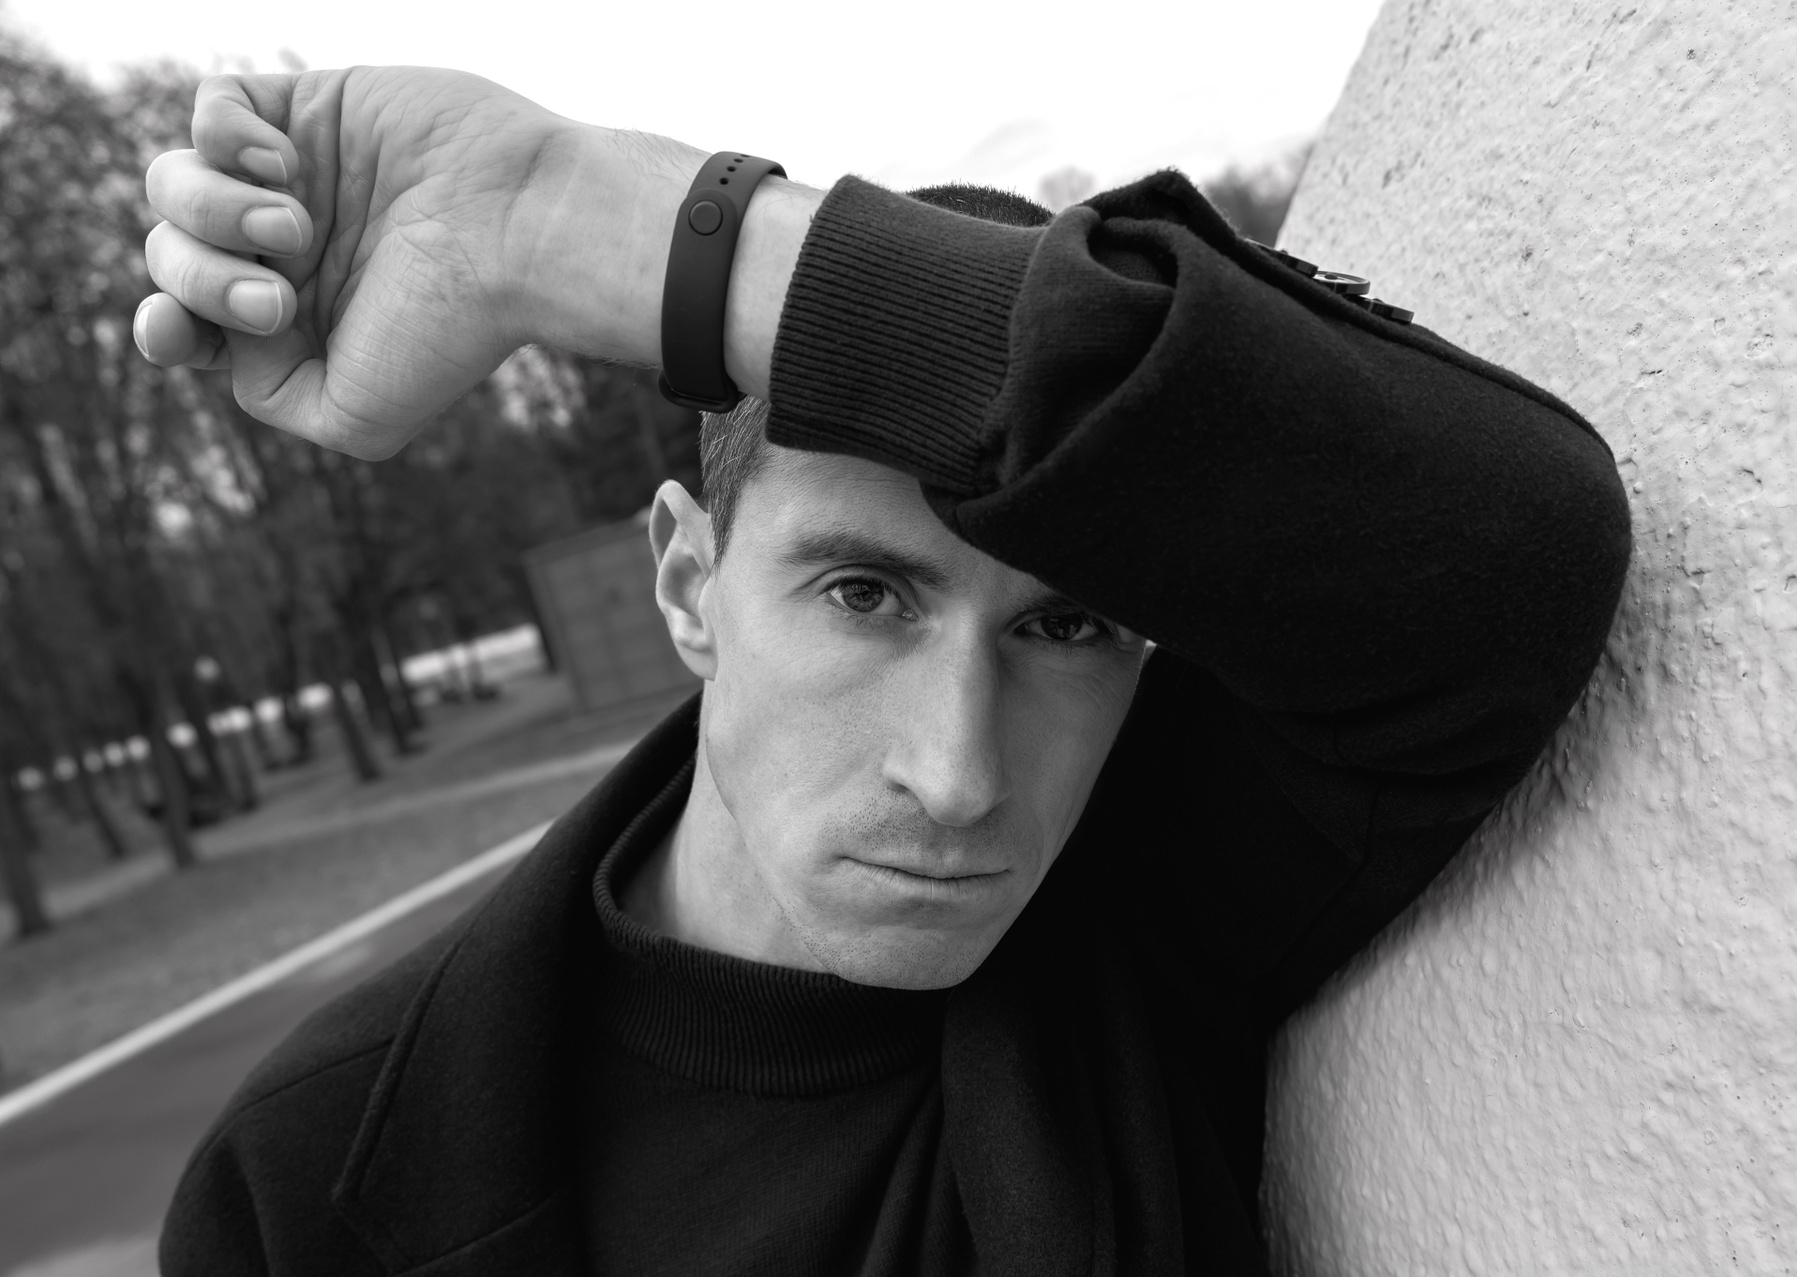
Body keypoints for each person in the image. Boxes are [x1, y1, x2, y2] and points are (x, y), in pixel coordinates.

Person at [139, 68, 1630, 1276]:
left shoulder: (1141, 902)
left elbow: (1513, 546)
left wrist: (574, 218)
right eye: (865, 594)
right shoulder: (305, 1182)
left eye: (1065, 628)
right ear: (689, 581)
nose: (960, 777)